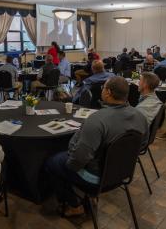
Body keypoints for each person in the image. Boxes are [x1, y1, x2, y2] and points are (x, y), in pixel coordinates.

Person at [45, 77, 148, 216]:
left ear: (108, 92)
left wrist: (69, 166)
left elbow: (78, 159)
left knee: (53, 162)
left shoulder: (97, 120)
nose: (102, 90)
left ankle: (74, 205)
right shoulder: (140, 116)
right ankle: (89, 195)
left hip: (96, 178)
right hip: (123, 173)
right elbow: (142, 145)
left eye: (103, 88)